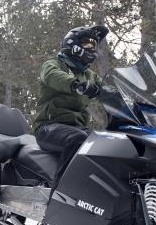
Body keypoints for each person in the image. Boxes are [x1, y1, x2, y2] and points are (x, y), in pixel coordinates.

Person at [32, 25, 109, 184]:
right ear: (72, 43)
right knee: (78, 139)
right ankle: (60, 191)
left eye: (94, 45)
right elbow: (53, 76)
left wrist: (131, 98)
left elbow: (109, 88)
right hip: (49, 127)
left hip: (77, 126)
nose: (92, 48)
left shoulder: (88, 74)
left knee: (105, 143)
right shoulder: (54, 64)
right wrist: (76, 85)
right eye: (87, 43)